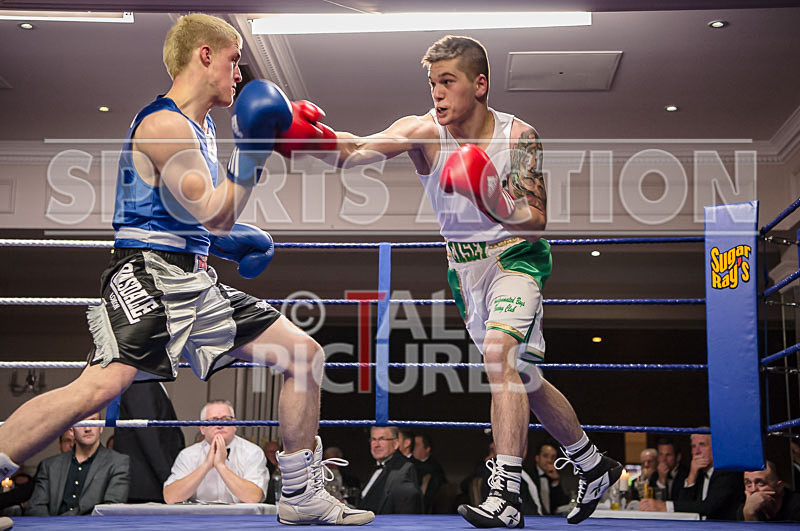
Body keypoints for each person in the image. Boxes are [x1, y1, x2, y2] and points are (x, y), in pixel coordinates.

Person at [0, 13, 372, 526]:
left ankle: (301, 493)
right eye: (234, 59)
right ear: (205, 55)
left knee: (303, 354)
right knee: (99, 388)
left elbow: (194, 220)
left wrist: (233, 243)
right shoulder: (164, 125)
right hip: (146, 274)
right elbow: (216, 209)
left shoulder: (205, 128)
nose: (239, 72)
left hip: (192, 277)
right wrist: (254, 154)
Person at [313, 34, 622, 527]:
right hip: (464, 269)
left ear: (479, 84)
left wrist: (491, 199)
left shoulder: (519, 136)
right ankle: (591, 463)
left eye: (447, 82)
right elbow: (355, 150)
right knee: (522, 377)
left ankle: (506, 494)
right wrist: (300, 136)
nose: (437, 93)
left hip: (516, 256)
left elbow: (535, 217)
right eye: (432, 83)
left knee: (500, 355)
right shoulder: (423, 131)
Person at [163, 400, 267, 504]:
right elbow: (171, 498)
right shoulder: (187, 455)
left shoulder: (253, 452)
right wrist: (206, 466)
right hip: (198, 518)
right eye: (213, 420)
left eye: (226, 419)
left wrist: (221, 466)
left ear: (235, 424)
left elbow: (253, 497)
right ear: (202, 428)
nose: (220, 425)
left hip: (241, 518)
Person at [26, 413, 129, 516]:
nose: (88, 428)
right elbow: (35, 508)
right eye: (81, 422)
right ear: (71, 429)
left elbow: (110, 509)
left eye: (93, 422)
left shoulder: (118, 462)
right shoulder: (49, 466)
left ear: (101, 427)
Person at [639, 433, 743, 520]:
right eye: (693, 446)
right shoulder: (698, 473)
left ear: (715, 448)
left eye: (702, 445)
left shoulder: (728, 472)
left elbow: (709, 507)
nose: (697, 451)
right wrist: (692, 475)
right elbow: (684, 504)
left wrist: (664, 506)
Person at [114, 381, 185, 503]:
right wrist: (171, 482)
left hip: (150, 485)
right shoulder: (142, 384)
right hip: (149, 487)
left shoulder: (148, 383)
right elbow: (150, 438)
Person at [357, 427, 423, 514]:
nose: (377, 444)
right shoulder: (375, 466)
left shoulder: (403, 468)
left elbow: (406, 512)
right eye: (373, 440)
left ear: (396, 444)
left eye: (382, 439)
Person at [530, 443, 570, 515]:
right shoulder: (528, 475)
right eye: (545, 456)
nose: (549, 460)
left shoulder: (557, 475)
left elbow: (562, 506)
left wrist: (555, 481)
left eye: (553, 457)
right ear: (537, 458)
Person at [412, 434, 447, 513]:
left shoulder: (434, 467)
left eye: (417, 445)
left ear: (427, 449)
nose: (413, 447)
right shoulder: (409, 463)